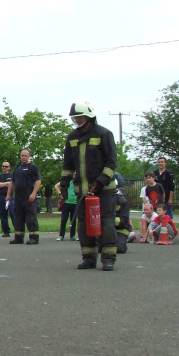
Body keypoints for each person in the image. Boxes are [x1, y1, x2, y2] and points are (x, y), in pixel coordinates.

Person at [59, 99, 119, 270]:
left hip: (104, 190)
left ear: (89, 116)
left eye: (80, 117)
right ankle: (89, 258)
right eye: (75, 118)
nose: (77, 121)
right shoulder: (72, 137)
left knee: (106, 223)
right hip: (83, 191)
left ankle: (108, 258)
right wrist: (64, 183)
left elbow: (111, 163)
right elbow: (68, 164)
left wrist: (100, 182)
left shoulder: (103, 134)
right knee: (84, 224)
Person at [6, 149, 42, 245]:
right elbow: (12, 182)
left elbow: (38, 180)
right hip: (18, 197)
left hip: (29, 196)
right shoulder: (17, 168)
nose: (24, 157)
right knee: (18, 217)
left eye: (25, 156)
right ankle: (18, 237)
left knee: (31, 217)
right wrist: (8, 195)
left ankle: (34, 237)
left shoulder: (33, 167)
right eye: (22, 155)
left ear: (29, 156)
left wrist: (33, 193)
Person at [0, 161, 14, 237]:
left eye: (6, 166)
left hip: (10, 196)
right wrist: (7, 183)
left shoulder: (12, 175)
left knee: (13, 213)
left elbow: (13, 184)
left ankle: (18, 230)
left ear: (9, 167)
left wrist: (3, 184)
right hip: (1, 196)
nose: (4, 168)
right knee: (2, 214)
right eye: (3, 166)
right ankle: (6, 231)